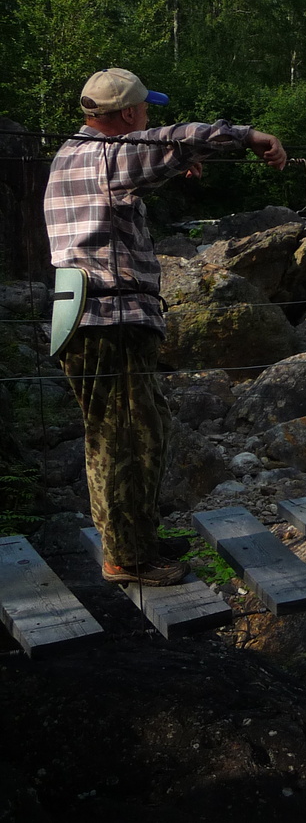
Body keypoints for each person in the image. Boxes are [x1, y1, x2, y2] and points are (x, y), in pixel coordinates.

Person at [44, 67, 287, 586]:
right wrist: (250, 136)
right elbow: (176, 138)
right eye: (144, 110)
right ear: (129, 113)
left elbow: (130, 176)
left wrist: (172, 166)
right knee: (126, 437)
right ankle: (128, 560)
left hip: (85, 316)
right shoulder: (111, 154)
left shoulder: (71, 153)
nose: (148, 118)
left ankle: (135, 539)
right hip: (109, 318)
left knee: (138, 426)